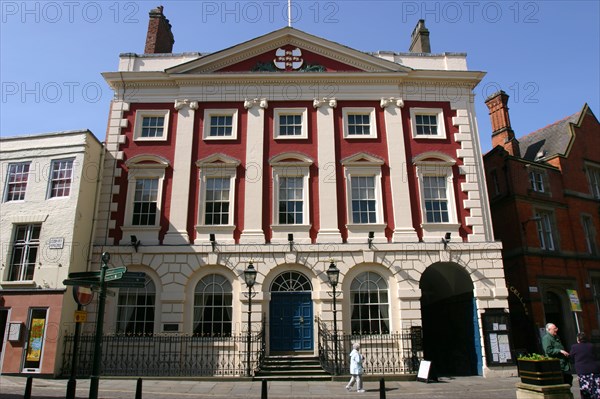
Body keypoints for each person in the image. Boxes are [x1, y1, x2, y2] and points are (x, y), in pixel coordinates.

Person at [570, 332, 600, 399]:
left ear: (578, 339)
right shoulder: (591, 345)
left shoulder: (574, 347)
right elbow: (596, 356)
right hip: (594, 370)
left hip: (583, 371)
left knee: (585, 390)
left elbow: (571, 357)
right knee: (596, 389)